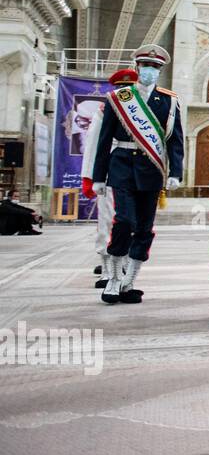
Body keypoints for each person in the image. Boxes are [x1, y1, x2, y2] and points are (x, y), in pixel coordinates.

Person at [92, 45, 184, 304]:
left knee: (144, 228)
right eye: (146, 66)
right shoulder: (119, 98)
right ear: (136, 68)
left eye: (155, 67)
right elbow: (103, 139)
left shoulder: (169, 100)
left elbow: (175, 141)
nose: (150, 71)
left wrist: (176, 171)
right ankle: (113, 277)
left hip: (152, 170)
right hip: (121, 165)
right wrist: (98, 176)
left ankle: (130, 281)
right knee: (125, 221)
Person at [81, 69, 136, 291]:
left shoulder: (143, 110)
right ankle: (106, 269)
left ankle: (122, 263)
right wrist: (91, 176)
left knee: (131, 222)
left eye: (129, 87)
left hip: (137, 174)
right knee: (107, 219)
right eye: (121, 88)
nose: (125, 91)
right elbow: (94, 144)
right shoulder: (106, 110)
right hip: (112, 170)